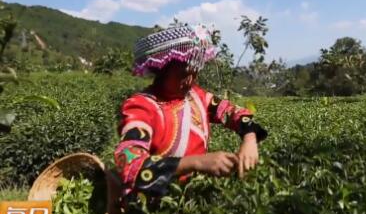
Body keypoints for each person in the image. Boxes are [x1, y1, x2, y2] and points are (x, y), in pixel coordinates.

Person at [114, 22, 268, 203]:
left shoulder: (197, 97)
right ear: (161, 70)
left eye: (194, 73)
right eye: (182, 74)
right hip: (155, 205)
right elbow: (131, 165)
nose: (189, 81)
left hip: (194, 198)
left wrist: (250, 138)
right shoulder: (142, 107)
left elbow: (232, 112)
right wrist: (197, 162)